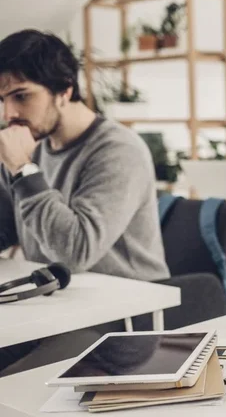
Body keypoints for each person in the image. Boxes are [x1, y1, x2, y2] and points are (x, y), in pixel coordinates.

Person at [0, 29, 169, 375]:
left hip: (122, 322)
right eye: (2, 100)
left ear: (64, 90)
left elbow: (74, 251)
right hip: (55, 309)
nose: (9, 114)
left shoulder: (118, 150)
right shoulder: (33, 146)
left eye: (21, 96)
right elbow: (6, 230)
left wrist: (22, 170)